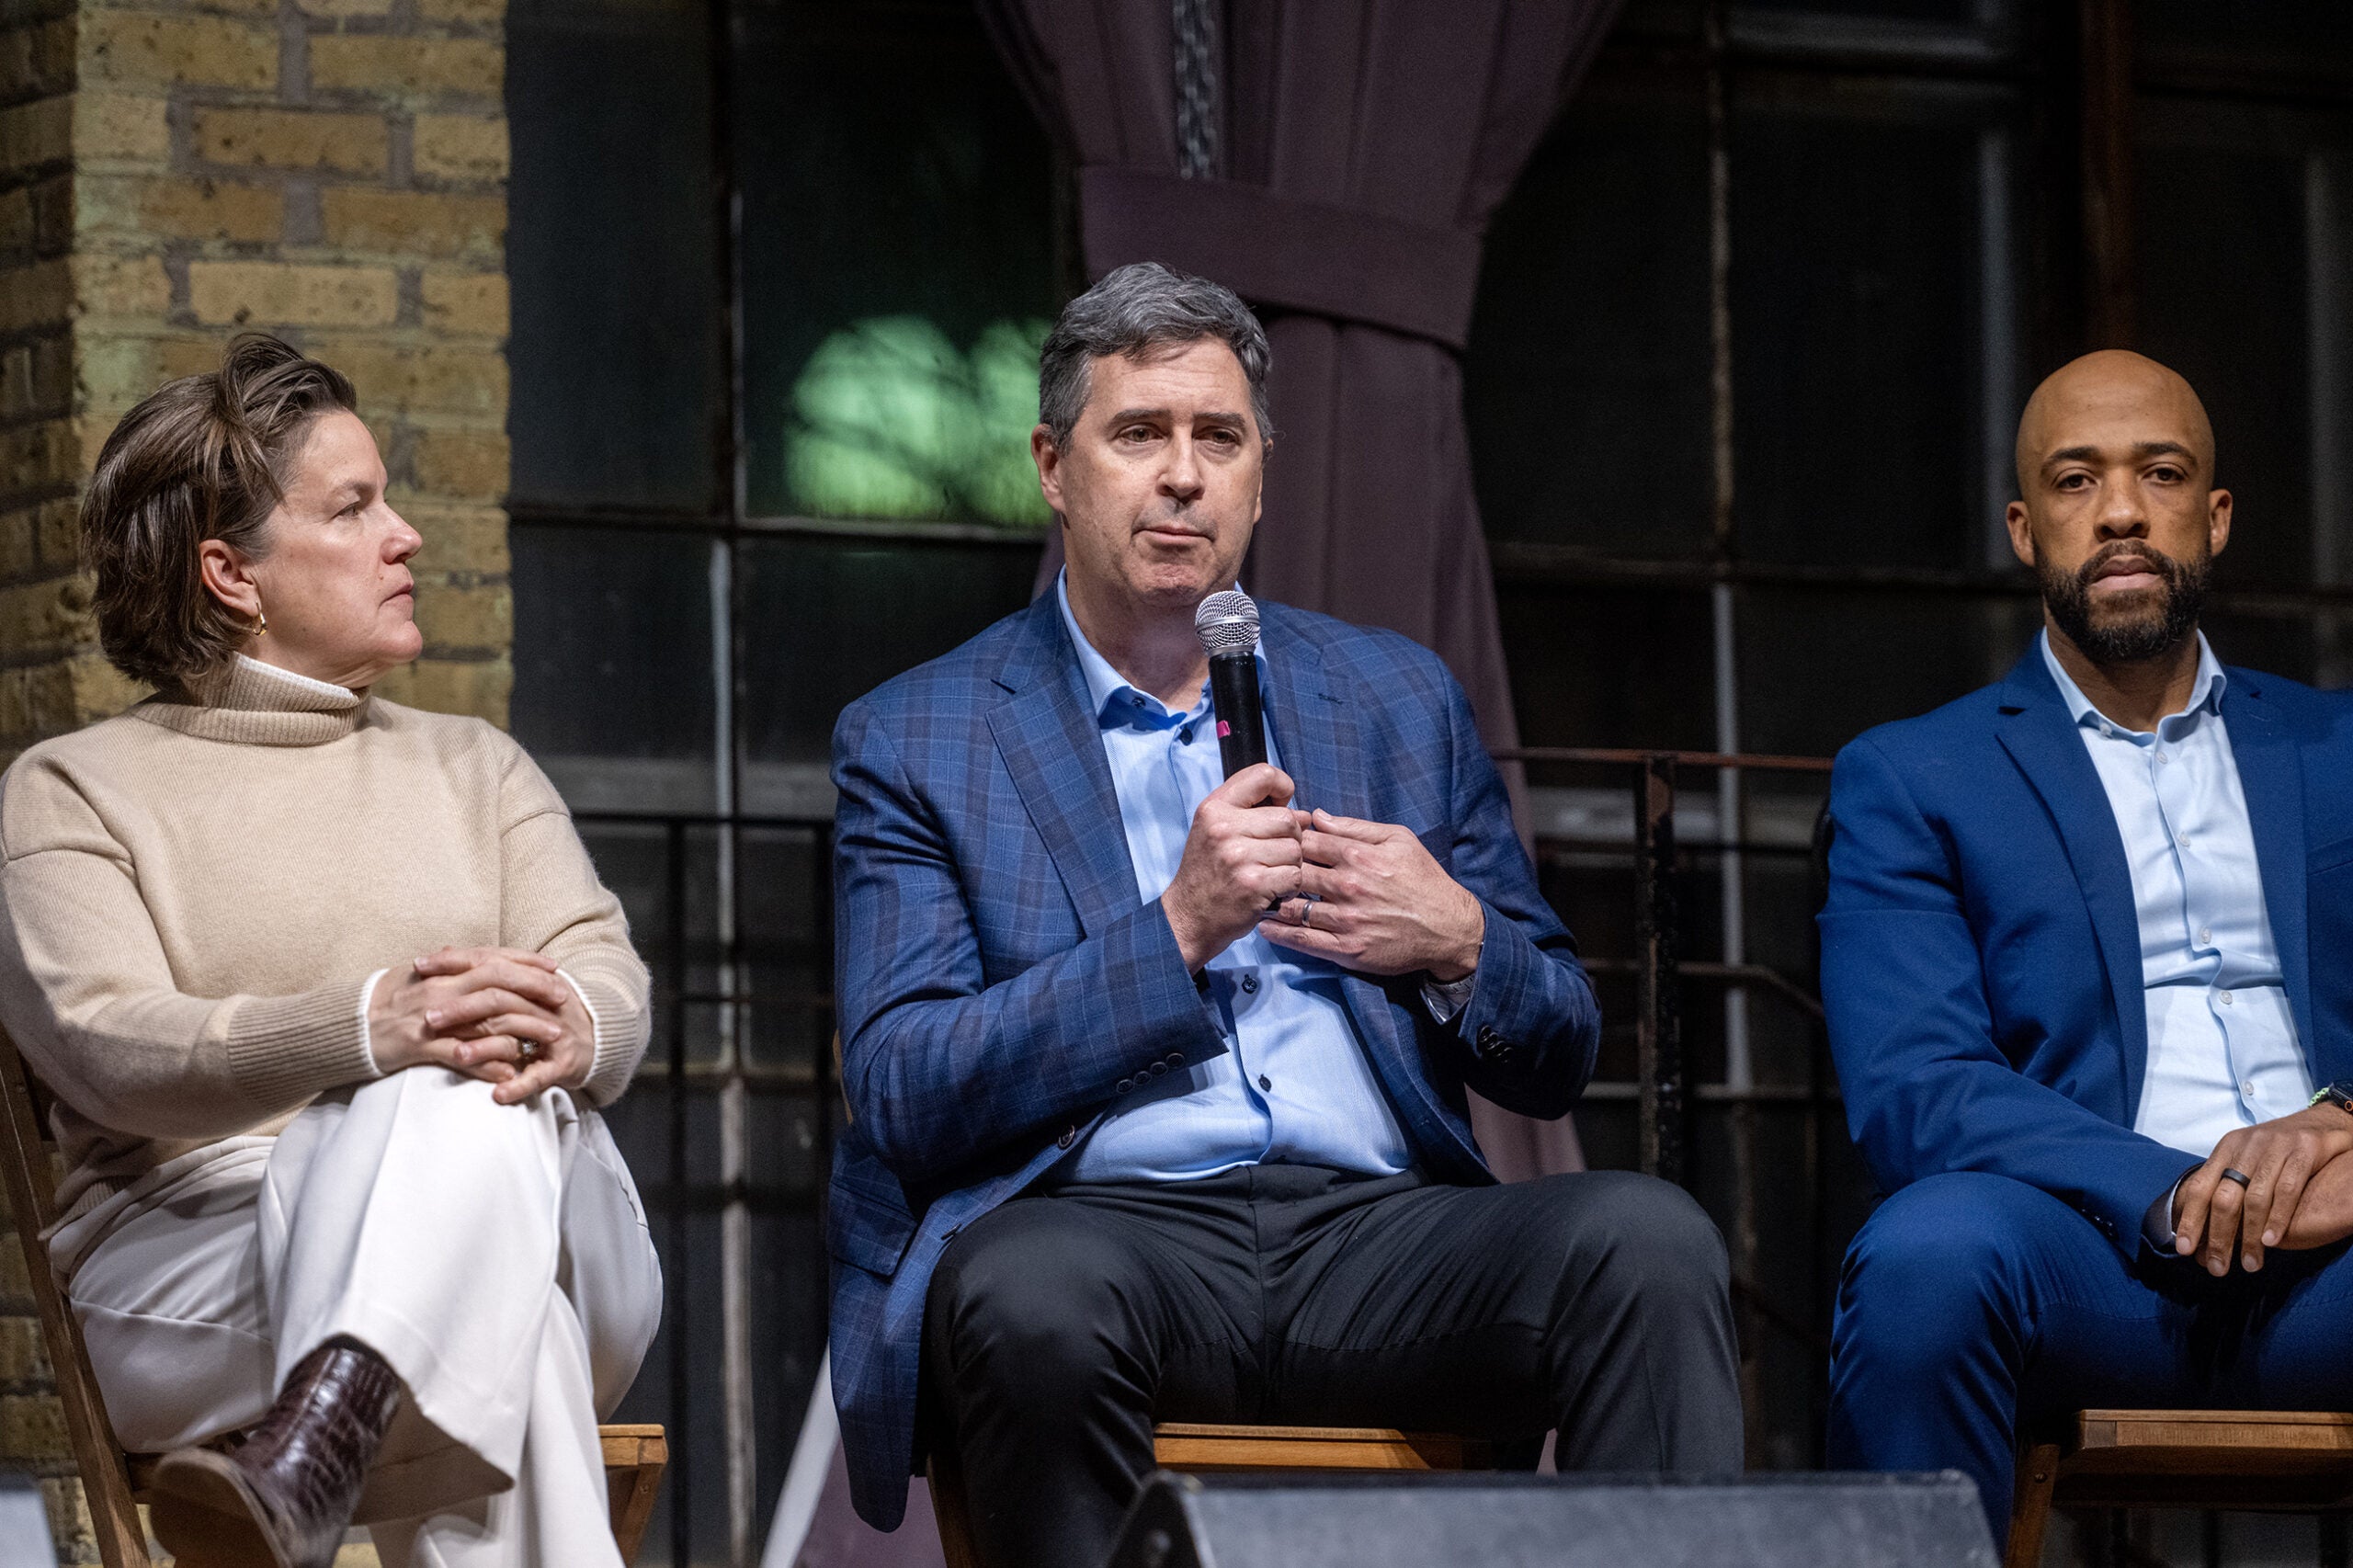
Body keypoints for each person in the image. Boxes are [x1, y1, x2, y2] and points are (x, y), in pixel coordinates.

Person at [825, 262, 1742, 1568]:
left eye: (1220, 437)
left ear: (1261, 471)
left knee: (1648, 1245)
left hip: (1377, 1232)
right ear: (1052, 466)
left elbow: (1560, 1050)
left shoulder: (1389, 695)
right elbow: (907, 1087)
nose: (1183, 474)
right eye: (1139, 433)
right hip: (1104, 1228)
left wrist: (1461, 943)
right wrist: (1175, 931)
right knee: (1028, 1293)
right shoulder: (922, 732)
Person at [0, 335, 661, 1568]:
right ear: (229, 571)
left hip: (551, 1207)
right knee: (522, 1325)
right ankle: (338, 1415)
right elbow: (105, 1044)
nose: (405, 534)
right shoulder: (68, 792)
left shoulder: (476, 768)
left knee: (455, 1088)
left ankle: (317, 1438)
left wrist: (579, 1019)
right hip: (201, 1273)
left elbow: (607, 973)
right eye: (354, 508)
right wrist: (368, 1025)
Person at [1822, 349, 2353, 1542]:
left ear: (2214, 517)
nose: (2119, 510)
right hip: (2091, 1258)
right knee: (1923, 1259)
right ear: (2024, 526)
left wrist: (2347, 1126)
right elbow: (1917, 1088)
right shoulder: (1916, 775)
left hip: (2338, 1260)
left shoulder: (2340, 749)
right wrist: (2169, 1189)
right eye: (2076, 480)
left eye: (2160, 473)